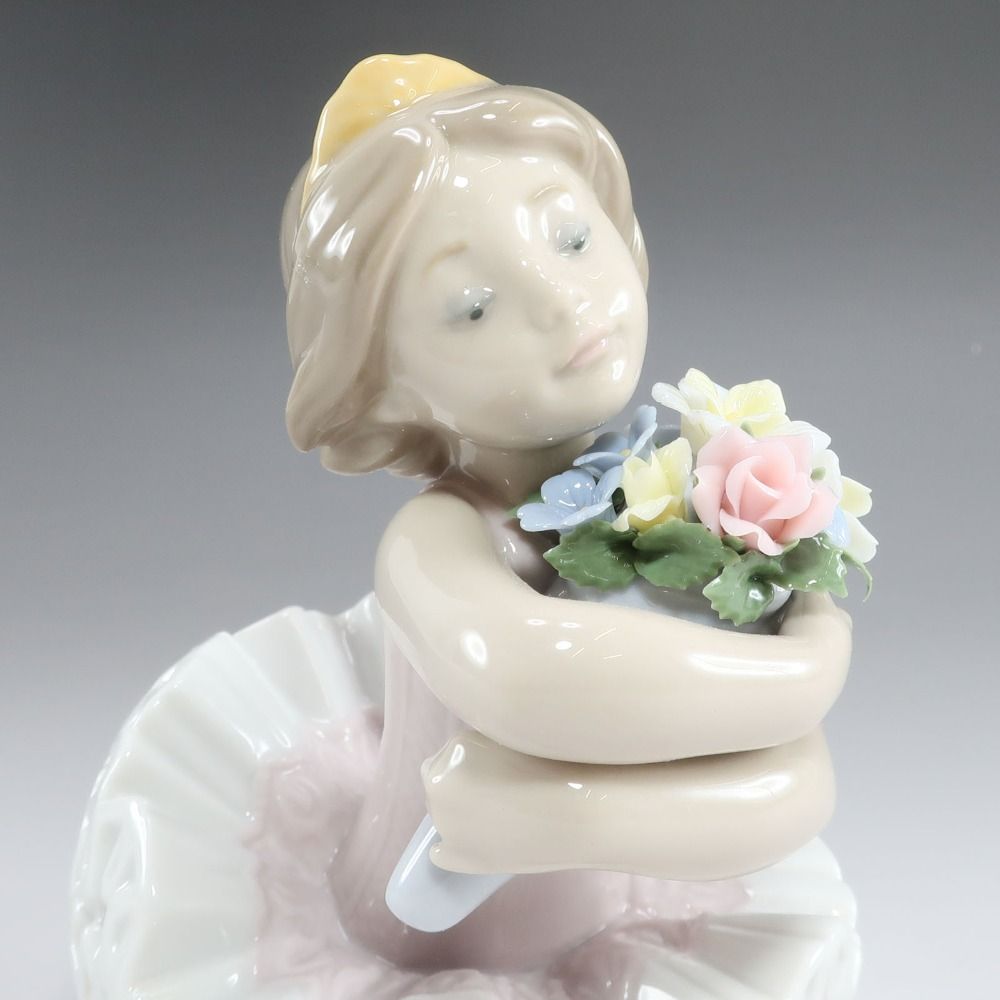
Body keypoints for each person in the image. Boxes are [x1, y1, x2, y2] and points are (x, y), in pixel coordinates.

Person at [72, 55, 858, 999]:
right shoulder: (439, 539)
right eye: (473, 307)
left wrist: (794, 676)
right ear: (382, 387)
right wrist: (806, 662)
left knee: (787, 797)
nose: (560, 300)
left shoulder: (675, 481)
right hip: (414, 946)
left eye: (572, 238)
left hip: (598, 920)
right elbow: (531, 677)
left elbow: (795, 788)